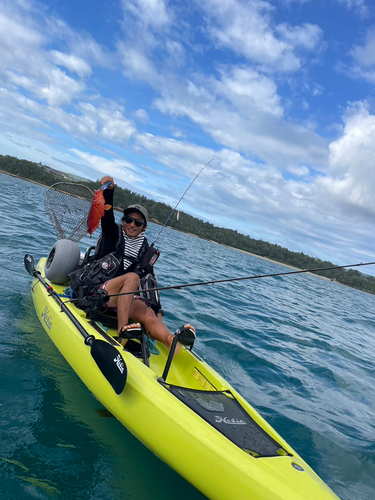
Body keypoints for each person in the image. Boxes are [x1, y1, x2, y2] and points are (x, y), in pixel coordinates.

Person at [93, 175, 195, 353]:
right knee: (132, 278)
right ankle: (122, 334)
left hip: (123, 300)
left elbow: (150, 280)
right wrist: (110, 191)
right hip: (100, 290)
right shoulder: (112, 233)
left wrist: (158, 312)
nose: (132, 224)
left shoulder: (145, 248)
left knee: (146, 311)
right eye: (128, 220)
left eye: (138, 222)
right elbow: (106, 214)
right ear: (123, 221)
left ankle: (170, 340)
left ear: (144, 227)